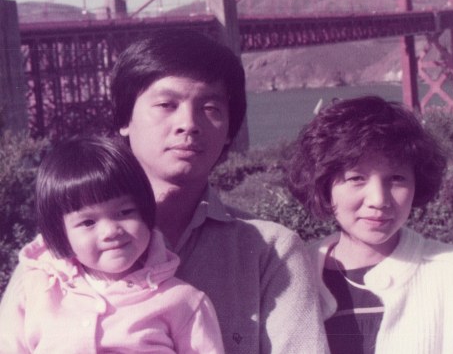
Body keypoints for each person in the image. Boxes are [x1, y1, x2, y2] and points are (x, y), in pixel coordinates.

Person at [1, 29, 328, 354]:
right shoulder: (50, 261)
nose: (189, 124)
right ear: (124, 119)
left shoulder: (270, 252)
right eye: (166, 105)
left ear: (230, 130)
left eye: (211, 108)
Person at [288, 95, 453, 354]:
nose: (379, 200)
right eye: (357, 178)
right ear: (324, 185)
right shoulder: (290, 276)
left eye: (396, 178)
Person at [0, 135, 224, 353]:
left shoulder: (183, 301)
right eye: (88, 222)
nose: (110, 231)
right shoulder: (35, 289)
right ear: (60, 232)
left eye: (124, 212)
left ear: (146, 211)